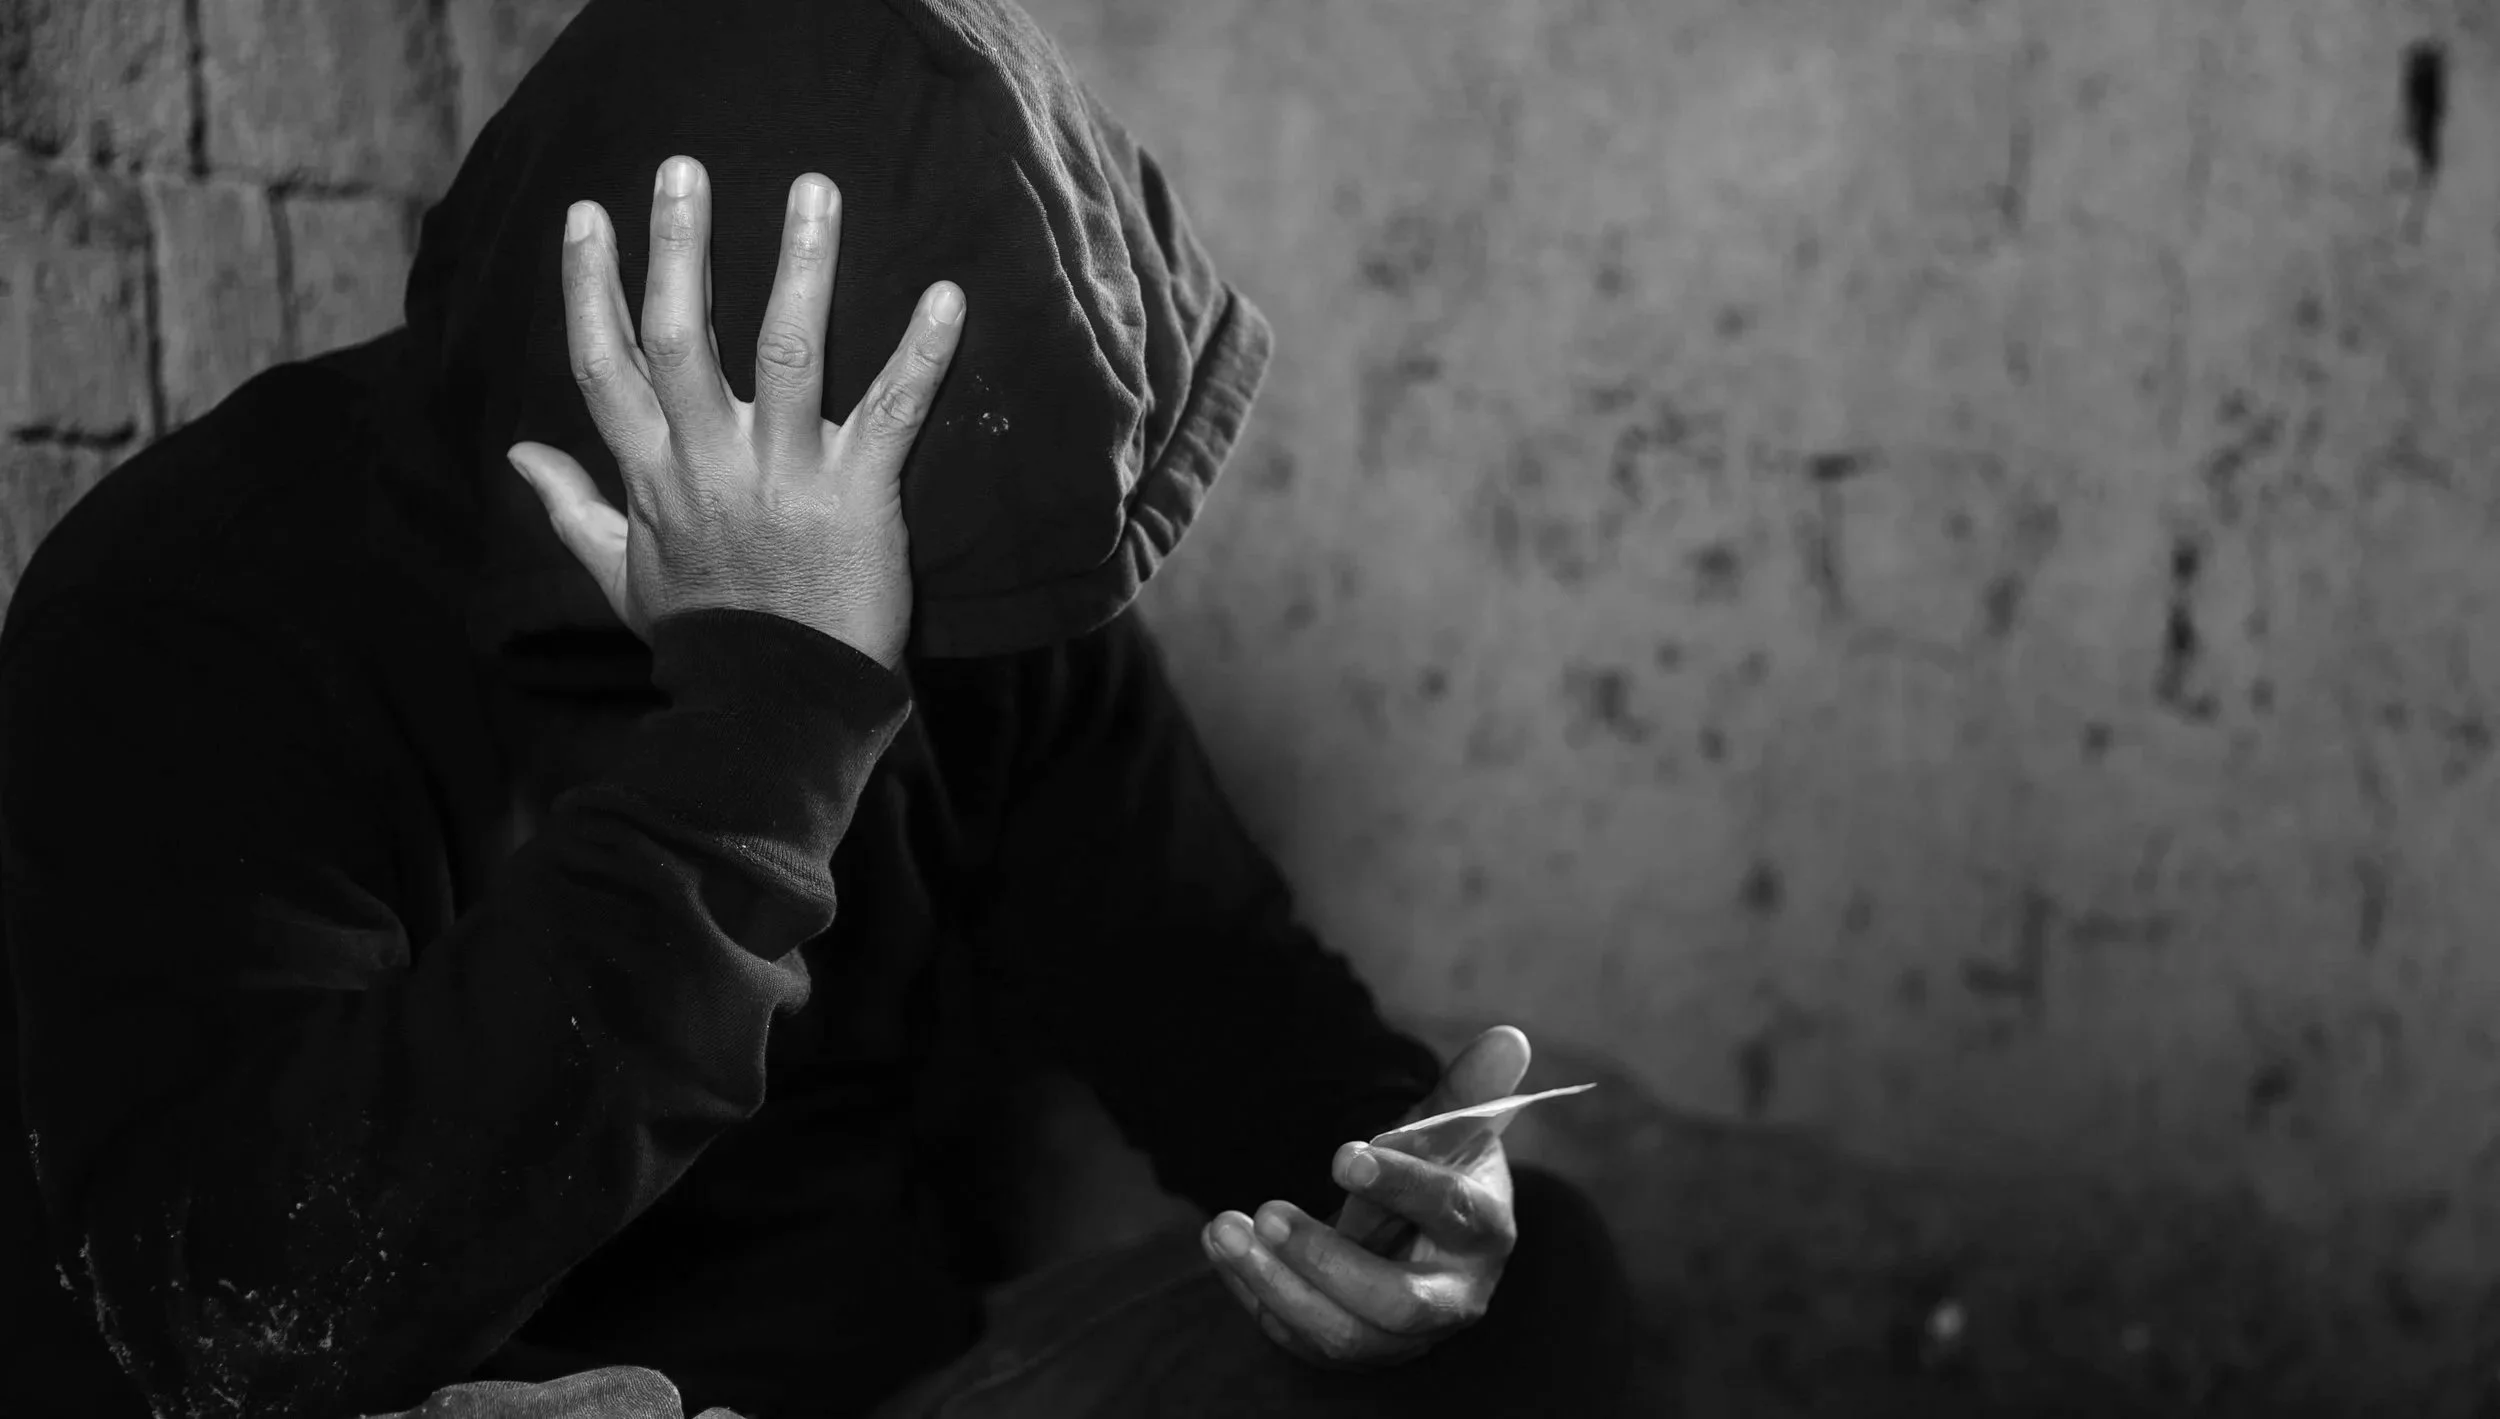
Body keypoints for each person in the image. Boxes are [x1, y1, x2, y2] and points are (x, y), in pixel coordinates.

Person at [0, 2, 1637, 1416]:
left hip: (890, 1382)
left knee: (1535, 1285)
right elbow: (245, 1325)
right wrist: (771, 707)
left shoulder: (981, 575)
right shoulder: (211, 598)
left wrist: (1417, 1197)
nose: (893, 604)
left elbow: (1227, 1017)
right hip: (459, 1376)